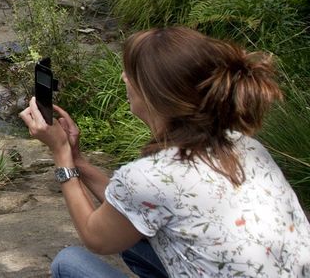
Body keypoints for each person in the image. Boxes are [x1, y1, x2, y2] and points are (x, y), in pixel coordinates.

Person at [19, 26, 310, 278]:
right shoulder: (243, 143)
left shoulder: (151, 176)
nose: (123, 78)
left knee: (70, 263)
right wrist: (78, 159)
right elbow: (135, 202)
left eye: (129, 72)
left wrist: (61, 156)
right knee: (135, 246)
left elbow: (96, 238)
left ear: (152, 93)